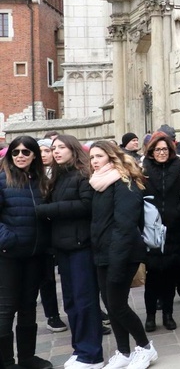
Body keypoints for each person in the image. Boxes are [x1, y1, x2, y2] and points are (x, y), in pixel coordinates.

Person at [35, 135, 103, 369]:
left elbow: (86, 205)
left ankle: (92, 355)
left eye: (61, 147)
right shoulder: (58, 177)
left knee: (85, 302)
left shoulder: (83, 174)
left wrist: (48, 209)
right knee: (72, 303)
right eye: (53, 148)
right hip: (63, 248)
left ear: (73, 150)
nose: (56, 151)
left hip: (81, 246)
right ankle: (80, 349)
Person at [89, 140, 157, 369]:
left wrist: (117, 261)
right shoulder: (98, 184)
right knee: (110, 304)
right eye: (92, 157)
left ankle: (146, 348)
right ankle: (124, 351)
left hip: (123, 253)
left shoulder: (124, 182)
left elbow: (125, 225)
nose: (94, 161)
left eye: (99, 156)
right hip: (102, 252)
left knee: (118, 305)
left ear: (111, 156)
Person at [0, 136, 53, 369]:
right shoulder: (2, 180)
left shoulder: (41, 181)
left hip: (35, 255)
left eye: (26, 152)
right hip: (8, 256)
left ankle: (27, 357)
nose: (20, 156)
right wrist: (7, 239)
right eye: (15, 152)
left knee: (28, 306)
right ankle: (5, 361)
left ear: (34, 155)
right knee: (6, 309)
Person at [141, 132, 180, 333]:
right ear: (151, 151)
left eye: (164, 149)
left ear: (170, 150)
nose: (161, 152)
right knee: (153, 274)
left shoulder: (178, 169)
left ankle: (168, 314)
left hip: (174, 229)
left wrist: (177, 212)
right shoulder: (143, 169)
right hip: (152, 230)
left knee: (171, 274)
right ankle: (150, 316)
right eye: (157, 149)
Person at [36, 138, 69, 334]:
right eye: (40, 151)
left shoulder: (62, 174)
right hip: (43, 234)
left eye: (47, 150)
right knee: (46, 278)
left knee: (70, 275)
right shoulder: (32, 176)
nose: (44, 154)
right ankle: (52, 315)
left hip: (62, 231)